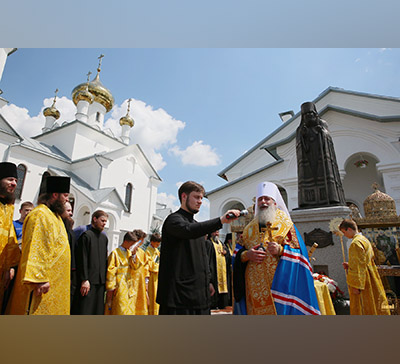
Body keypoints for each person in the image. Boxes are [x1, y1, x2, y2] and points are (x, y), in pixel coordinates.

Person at [234, 181, 320, 315]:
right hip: (254, 286)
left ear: (274, 203)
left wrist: (280, 250)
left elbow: (300, 254)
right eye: (260, 199)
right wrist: (247, 255)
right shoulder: (248, 228)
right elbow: (237, 254)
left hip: (279, 283)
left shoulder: (286, 225)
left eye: (267, 199)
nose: (263, 202)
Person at [156, 180, 241, 315]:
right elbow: (188, 230)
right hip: (178, 297)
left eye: (201, 198)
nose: (200, 201)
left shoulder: (197, 227)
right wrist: (221, 221)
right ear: (184, 197)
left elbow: (203, 258)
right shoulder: (173, 220)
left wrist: (209, 282)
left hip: (200, 295)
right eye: (196, 197)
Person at [7, 176, 71, 315]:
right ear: (55, 195)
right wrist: (38, 279)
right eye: (65, 196)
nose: (67, 200)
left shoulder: (55, 216)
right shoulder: (40, 215)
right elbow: (36, 247)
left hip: (55, 284)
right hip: (40, 287)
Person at [296, 102, 346, 208]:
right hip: (308, 158)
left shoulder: (322, 124)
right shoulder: (301, 129)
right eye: (306, 114)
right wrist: (303, 136)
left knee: (326, 176)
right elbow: (299, 146)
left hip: (322, 157)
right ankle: (308, 201)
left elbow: (328, 138)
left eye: (311, 113)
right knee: (307, 178)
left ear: (315, 114)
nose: (309, 116)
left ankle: (331, 198)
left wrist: (322, 133)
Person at [340, 219, 390, 315]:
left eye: (344, 232)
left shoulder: (355, 243)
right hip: (371, 275)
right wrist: (350, 265)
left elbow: (358, 267)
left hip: (363, 281)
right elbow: (364, 260)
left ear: (349, 229)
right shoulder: (364, 239)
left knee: (363, 306)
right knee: (374, 303)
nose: (344, 235)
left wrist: (356, 286)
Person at [76, 210, 108, 315]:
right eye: (102, 220)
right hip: (88, 282)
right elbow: (82, 259)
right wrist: (84, 279)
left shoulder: (104, 238)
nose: (104, 223)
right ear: (94, 219)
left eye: (105, 221)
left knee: (97, 311)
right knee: (85, 310)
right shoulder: (86, 236)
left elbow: (105, 260)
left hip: (100, 282)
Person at [105, 230, 144, 315]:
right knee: (120, 308)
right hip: (119, 285)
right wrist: (111, 288)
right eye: (131, 244)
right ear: (126, 241)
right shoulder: (115, 253)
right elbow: (110, 272)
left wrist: (134, 255)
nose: (132, 247)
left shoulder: (130, 252)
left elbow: (136, 267)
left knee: (130, 309)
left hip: (129, 285)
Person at [0, 162, 19, 313]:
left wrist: (11, 266)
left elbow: (10, 238)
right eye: (10, 179)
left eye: (16, 181)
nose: (14, 184)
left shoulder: (9, 207)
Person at [61, 201, 79, 314]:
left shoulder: (70, 232)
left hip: (67, 275)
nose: (71, 214)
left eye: (71, 210)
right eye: (68, 211)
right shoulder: (56, 227)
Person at [206, 230, 229, 310]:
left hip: (222, 272)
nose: (217, 233)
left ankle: (222, 303)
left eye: (218, 232)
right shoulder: (208, 243)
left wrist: (226, 253)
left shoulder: (221, 243)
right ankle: (213, 304)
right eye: (215, 232)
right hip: (214, 271)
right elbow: (207, 258)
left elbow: (228, 256)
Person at [146, 232, 161, 315]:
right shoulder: (148, 251)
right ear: (152, 242)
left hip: (157, 277)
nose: (158, 245)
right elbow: (151, 265)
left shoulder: (156, 250)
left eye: (159, 243)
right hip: (151, 277)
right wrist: (159, 265)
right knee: (152, 296)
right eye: (156, 243)